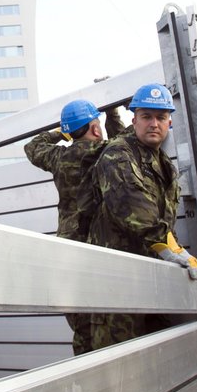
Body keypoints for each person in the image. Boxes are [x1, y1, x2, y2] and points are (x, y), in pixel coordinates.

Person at [76, 84, 197, 351]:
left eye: (161, 117)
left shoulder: (162, 162)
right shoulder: (118, 154)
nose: (153, 124)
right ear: (134, 120)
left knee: (156, 362)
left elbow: (165, 219)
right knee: (117, 367)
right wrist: (171, 249)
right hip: (116, 285)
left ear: (170, 121)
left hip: (152, 280)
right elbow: (133, 207)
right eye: (146, 117)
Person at [24, 100, 125, 354]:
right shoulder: (105, 152)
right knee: (108, 318)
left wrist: (62, 132)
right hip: (100, 246)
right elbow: (124, 139)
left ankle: (84, 366)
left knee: (81, 323)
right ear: (94, 129)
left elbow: (32, 146)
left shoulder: (59, 157)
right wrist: (113, 113)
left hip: (68, 248)